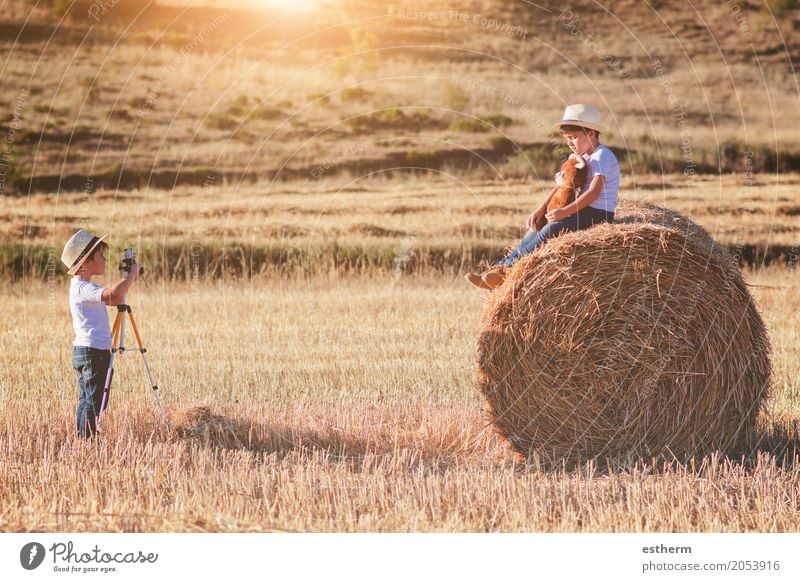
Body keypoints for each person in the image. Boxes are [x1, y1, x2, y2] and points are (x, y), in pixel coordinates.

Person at [465, 104, 621, 290]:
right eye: (567, 139)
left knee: (552, 229)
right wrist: (540, 209)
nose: (570, 143)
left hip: (598, 212)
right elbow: (561, 187)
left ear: (592, 134)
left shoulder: (602, 155)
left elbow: (594, 192)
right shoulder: (579, 158)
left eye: (574, 138)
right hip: (582, 210)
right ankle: (498, 271)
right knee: (537, 226)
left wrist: (565, 212)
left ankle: (506, 272)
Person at [61, 230, 140, 437]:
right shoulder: (82, 287)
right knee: (94, 401)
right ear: (86, 262)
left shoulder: (83, 287)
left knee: (87, 399)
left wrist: (126, 281)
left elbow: (113, 299)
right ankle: (87, 440)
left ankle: (83, 438)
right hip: (93, 352)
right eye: (101, 256)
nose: (104, 260)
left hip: (87, 351)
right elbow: (113, 294)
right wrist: (131, 276)